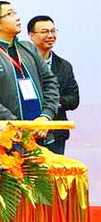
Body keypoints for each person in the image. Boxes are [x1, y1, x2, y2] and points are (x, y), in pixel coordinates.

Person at [0, 1, 59, 126]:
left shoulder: (29, 48)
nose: (17, 17)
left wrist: (46, 116)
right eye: (10, 14)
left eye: (15, 13)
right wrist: (17, 125)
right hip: (5, 133)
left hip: (41, 129)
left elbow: (50, 82)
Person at [27, 15, 79, 154]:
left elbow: (73, 99)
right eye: (44, 32)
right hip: (27, 132)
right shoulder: (21, 64)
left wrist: (51, 104)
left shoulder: (64, 65)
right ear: (31, 35)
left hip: (56, 135)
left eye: (53, 31)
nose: (50, 35)